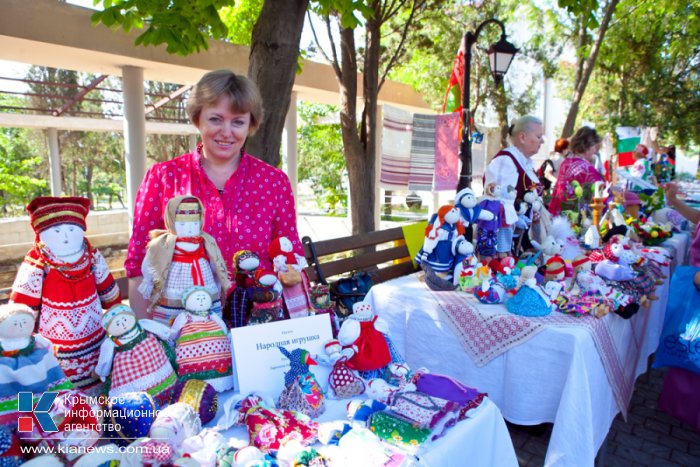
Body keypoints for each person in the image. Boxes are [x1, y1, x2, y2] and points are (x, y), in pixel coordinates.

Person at [125, 69, 304, 319]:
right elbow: (139, 262)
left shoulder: (273, 182)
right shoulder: (164, 178)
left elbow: (290, 256)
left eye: (238, 121)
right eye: (216, 119)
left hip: (259, 322)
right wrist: (148, 332)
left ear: (250, 124)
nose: (226, 131)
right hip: (184, 325)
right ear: (198, 119)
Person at [483, 115, 545, 254]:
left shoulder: (525, 162)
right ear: (522, 137)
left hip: (521, 236)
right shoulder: (506, 161)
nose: (542, 141)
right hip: (508, 240)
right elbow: (497, 202)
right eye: (539, 136)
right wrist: (502, 247)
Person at [548, 126, 604, 215]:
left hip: (559, 214)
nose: (595, 151)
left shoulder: (566, 163)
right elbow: (601, 192)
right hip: (576, 218)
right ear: (588, 146)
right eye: (595, 147)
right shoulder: (587, 169)